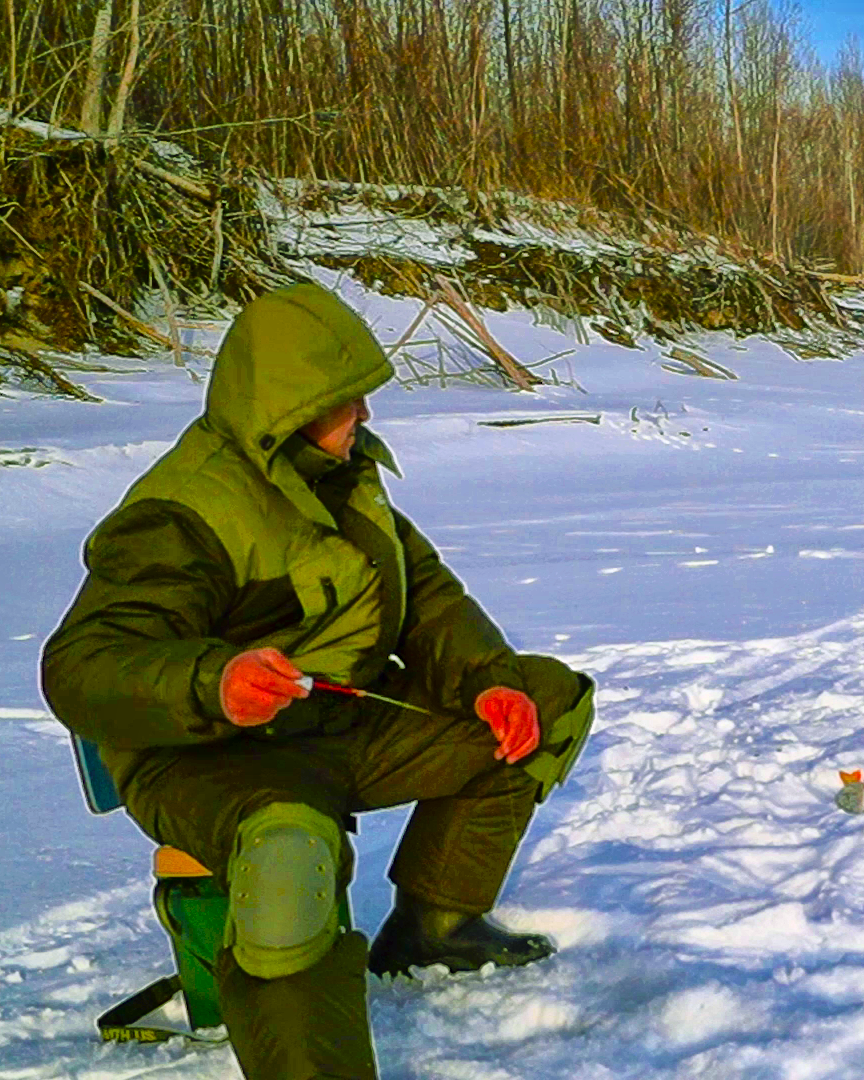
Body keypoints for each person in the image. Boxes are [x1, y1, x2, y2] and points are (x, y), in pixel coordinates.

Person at [41, 282, 595, 1078]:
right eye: (347, 402)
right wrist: (214, 680)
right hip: (212, 756)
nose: (365, 416)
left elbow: (427, 593)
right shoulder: (182, 513)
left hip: (334, 724)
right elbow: (80, 665)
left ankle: (434, 924)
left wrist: (486, 680)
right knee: (288, 860)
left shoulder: (339, 471)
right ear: (287, 408)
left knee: (542, 704)